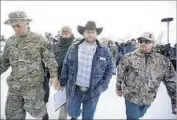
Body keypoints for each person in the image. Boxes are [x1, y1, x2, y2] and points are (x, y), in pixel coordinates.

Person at [0, 11, 59, 119]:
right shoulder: (10, 42)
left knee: (39, 112)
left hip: (33, 88)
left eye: (18, 25)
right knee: (12, 116)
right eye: (13, 26)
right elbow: (3, 62)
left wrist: (54, 77)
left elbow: (50, 60)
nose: (15, 29)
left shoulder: (39, 40)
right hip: (14, 88)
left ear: (27, 24)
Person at [59, 21, 114, 120]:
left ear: (96, 34)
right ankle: (75, 115)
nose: (91, 34)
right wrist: (62, 82)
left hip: (93, 90)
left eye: (93, 32)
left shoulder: (104, 50)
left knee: (88, 116)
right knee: (72, 112)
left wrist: (103, 85)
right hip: (75, 88)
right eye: (88, 32)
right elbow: (66, 64)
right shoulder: (74, 47)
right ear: (83, 33)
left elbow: (110, 68)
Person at [116, 32, 176, 120]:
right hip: (131, 97)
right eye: (140, 41)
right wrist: (118, 87)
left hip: (148, 98)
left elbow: (171, 80)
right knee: (133, 117)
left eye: (147, 41)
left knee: (140, 114)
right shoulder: (128, 57)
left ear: (153, 44)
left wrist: (175, 100)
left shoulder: (162, 61)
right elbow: (120, 72)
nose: (143, 43)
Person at [53, 26, 74, 119]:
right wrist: (53, 76)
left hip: (71, 77)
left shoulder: (74, 45)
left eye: (67, 34)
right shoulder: (56, 45)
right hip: (59, 76)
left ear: (70, 34)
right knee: (63, 99)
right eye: (63, 34)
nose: (65, 35)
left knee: (69, 99)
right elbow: (52, 60)